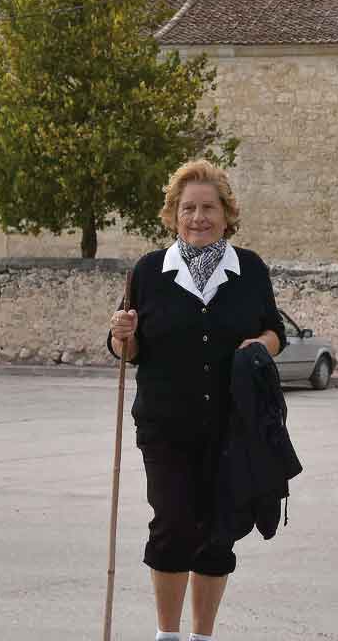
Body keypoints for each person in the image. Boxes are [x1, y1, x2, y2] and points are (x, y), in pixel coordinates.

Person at [108, 159, 283, 641]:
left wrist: (260, 346)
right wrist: (121, 334)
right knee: (173, 524)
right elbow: (130, 348)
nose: (198, 217)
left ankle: (203, 636)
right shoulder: (148, 271)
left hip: (233, 424)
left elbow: (275, 332)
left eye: (209, 207)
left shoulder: (249, 270)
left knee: (218, 531)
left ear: (227, 214)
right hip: (166, 426)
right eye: (188, 208)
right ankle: (168, 635)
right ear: (173, 214)